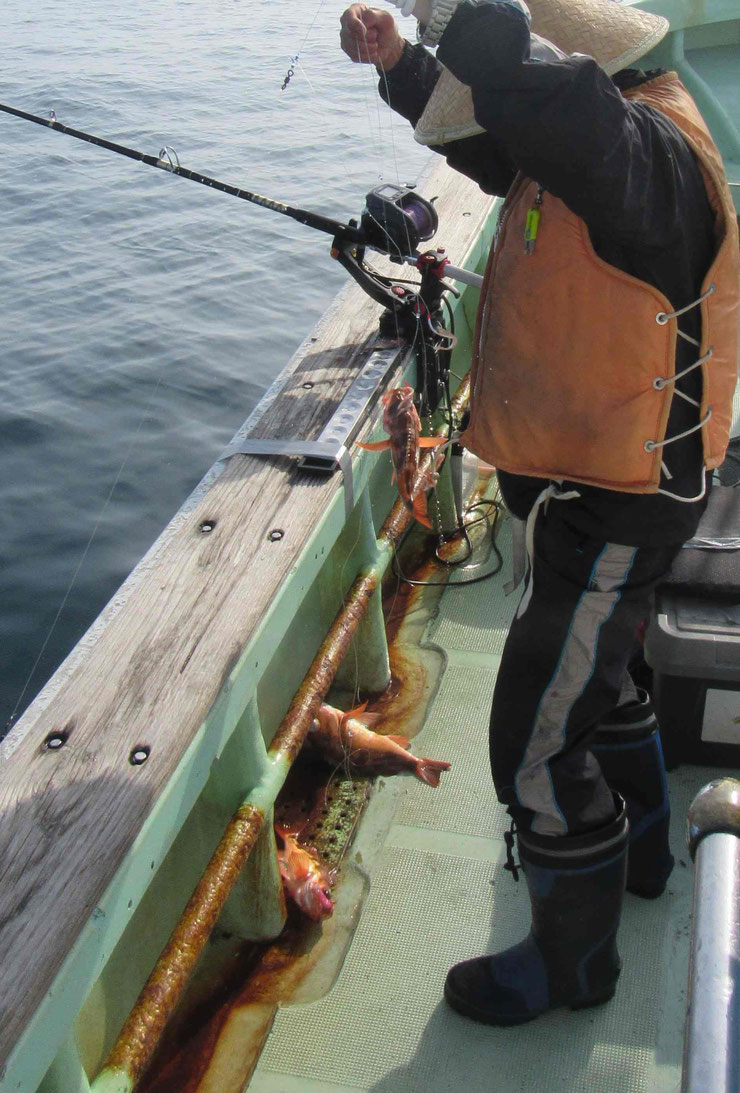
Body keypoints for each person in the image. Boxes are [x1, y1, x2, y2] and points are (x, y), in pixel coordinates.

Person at [340, 0, 739, 1026]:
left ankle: (572, 966)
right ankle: (641, 850)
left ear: (581, 65)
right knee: (602, 684)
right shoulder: (608, 133)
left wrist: (454, 17)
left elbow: (535, 98)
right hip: (596, 485)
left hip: (617, 503)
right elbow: (499, 145)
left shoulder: (638, 151)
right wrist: (399, 65)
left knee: (535, 738)